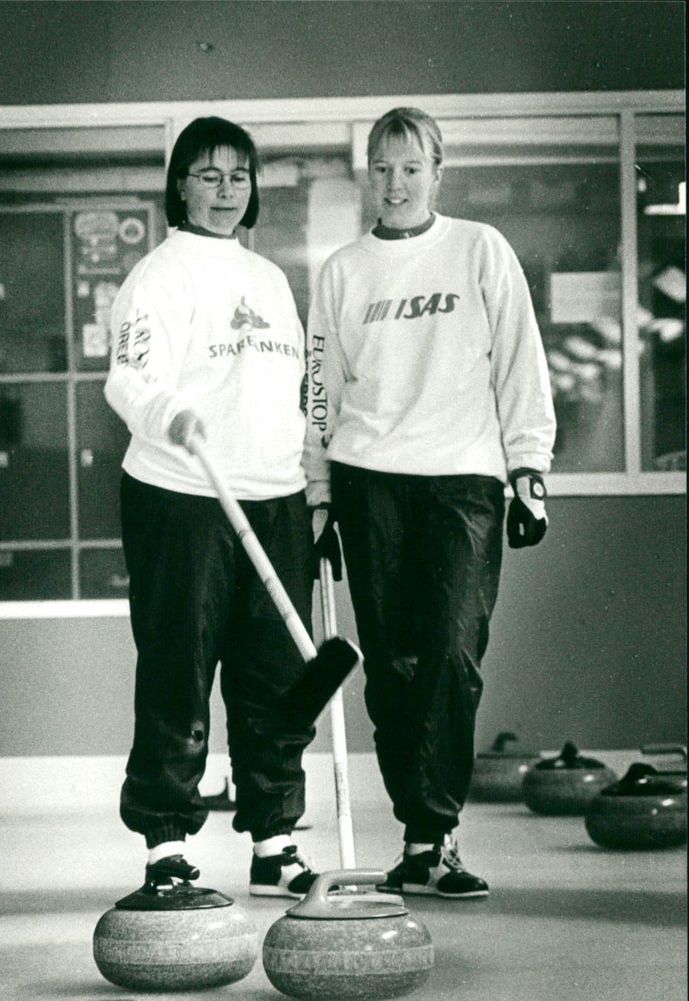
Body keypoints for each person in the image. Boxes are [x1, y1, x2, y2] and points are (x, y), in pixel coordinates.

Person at [305, 106, 556, 899]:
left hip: (463, 478)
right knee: (393, 666)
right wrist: (318, 499)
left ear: (438, 173)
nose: (396, 183)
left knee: (451, 652)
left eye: (411, 167)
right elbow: (321, 395)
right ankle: (419, 837)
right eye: (382, 168)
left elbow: (520, 362)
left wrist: (529, 470)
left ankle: (438, 830)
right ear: (366, 176)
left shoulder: (481, 249)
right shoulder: (343, 271)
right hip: (367, 478)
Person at [104, 116, 320, 898]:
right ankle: (165, 846)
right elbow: (129, 379)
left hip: (272, 495)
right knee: (178, 668)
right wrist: (171, 414)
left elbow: (296, 394)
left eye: (239, 176)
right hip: (183, 494)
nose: (226, 191)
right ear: (180, 186)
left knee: (272, 677)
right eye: (209, 175)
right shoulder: (156, 277)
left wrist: (307, 483)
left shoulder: (269, 281)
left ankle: (275, 841)